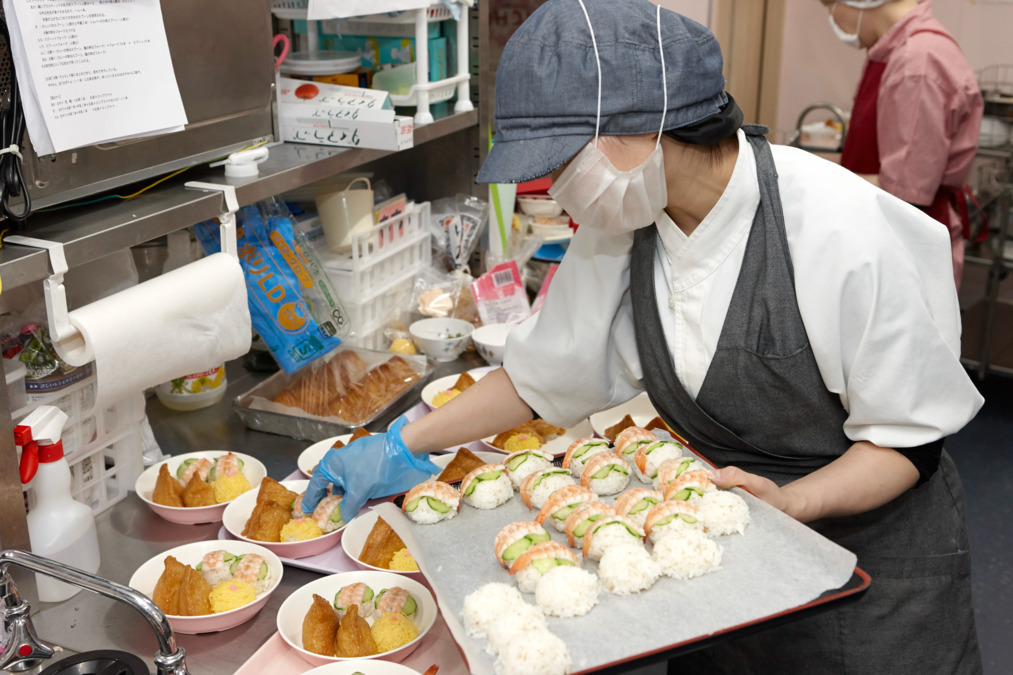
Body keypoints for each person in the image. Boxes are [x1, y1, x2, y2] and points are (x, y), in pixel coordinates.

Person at [303, 0, 984, 671]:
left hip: (871, 571)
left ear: (640, 130)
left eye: (561, 163)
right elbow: (544, 375)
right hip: (714, 543)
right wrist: (398, 444)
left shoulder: (839, 227)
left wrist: (795, 500)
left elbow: (907, 440)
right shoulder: (627, 223)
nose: (555, 189)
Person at [823, 0, 984, 291]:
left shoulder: (917, 63)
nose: (832, 18)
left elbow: (903, 191)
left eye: (828, 6)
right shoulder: (899, 50)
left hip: (905, 248)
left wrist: (811, 179)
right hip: (884, 235)